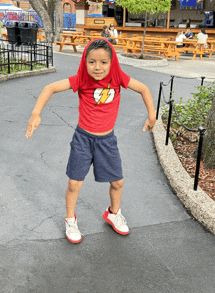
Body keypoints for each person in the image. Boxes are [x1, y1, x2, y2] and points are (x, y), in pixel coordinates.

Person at [25, 39, 156, 244]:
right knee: (74, 183)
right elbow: (49, 88)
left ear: (112, 62)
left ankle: (113, 213)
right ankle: (70, 219)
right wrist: (35, 113)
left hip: (107, 141)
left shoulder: (118, 78)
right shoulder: (81, 80)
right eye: (92, 62)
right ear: (85, 62)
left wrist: (152, 115)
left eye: (104, 62)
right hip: (83, 140)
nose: (97, 67)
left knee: (117, 182)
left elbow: (144, 89)